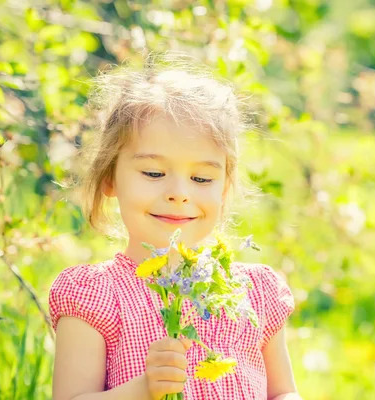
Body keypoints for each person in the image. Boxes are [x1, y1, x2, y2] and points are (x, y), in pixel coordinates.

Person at [48, 55, 301, 400]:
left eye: (201, 178)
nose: (179, 194)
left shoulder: (254, 292)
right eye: (153, 173)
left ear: (224, 188)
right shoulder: (97, 295)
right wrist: (143, 389)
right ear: (110, 178)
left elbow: (283, 392)